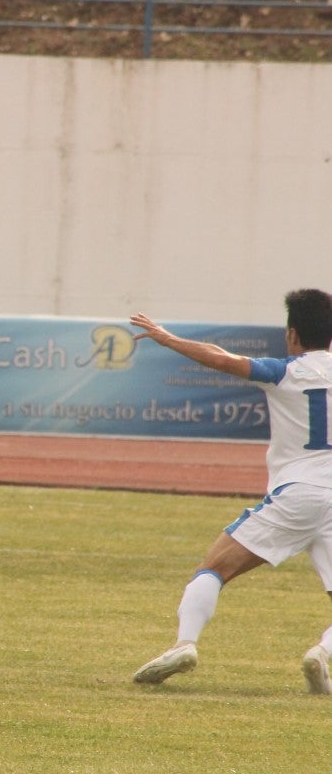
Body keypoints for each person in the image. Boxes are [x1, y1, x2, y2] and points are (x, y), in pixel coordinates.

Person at [130, 289, 332, 693]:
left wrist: (167, 338)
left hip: (299, 494)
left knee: (215, 568)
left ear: (292, 333)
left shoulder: (287, 371)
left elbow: (221, 357)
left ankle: (185, 644)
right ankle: (322, 654)